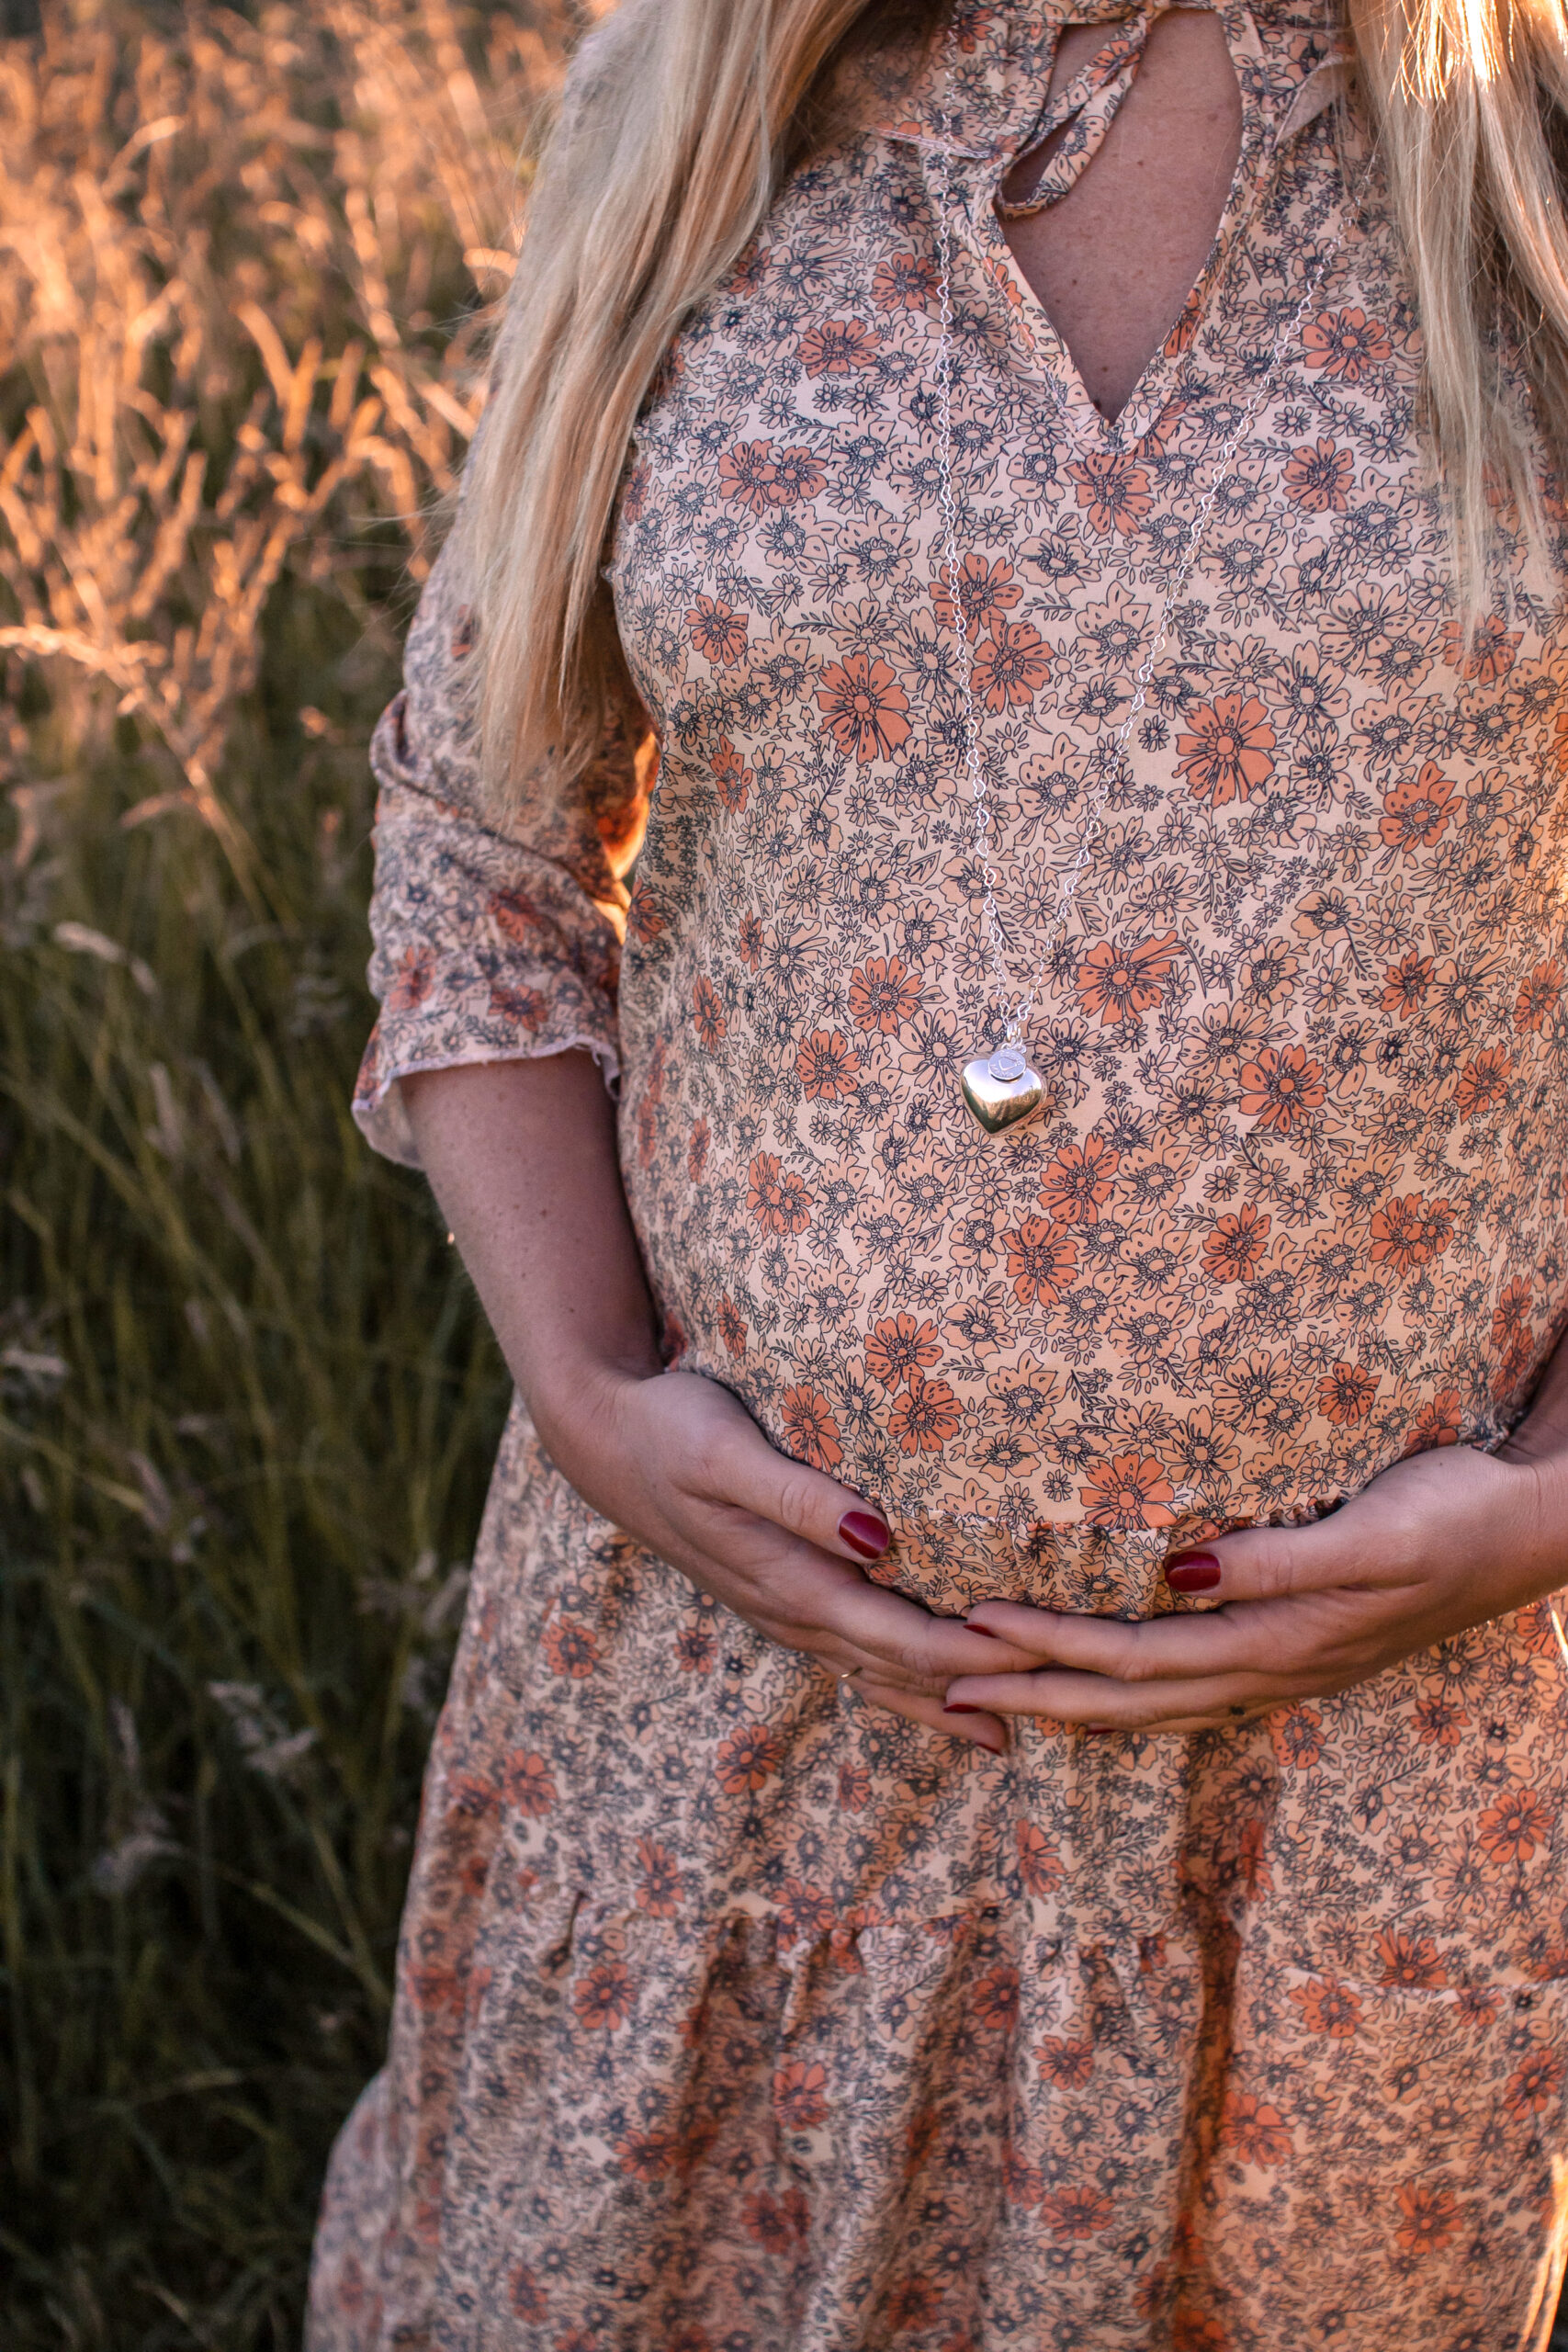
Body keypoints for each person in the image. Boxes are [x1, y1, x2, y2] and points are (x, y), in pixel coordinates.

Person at [307, 0, 1568, 2341]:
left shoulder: (1524, 147)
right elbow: (478, 812)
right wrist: (587, 1386)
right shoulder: (713, 114)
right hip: (707, 1731)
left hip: (1338, 1806)